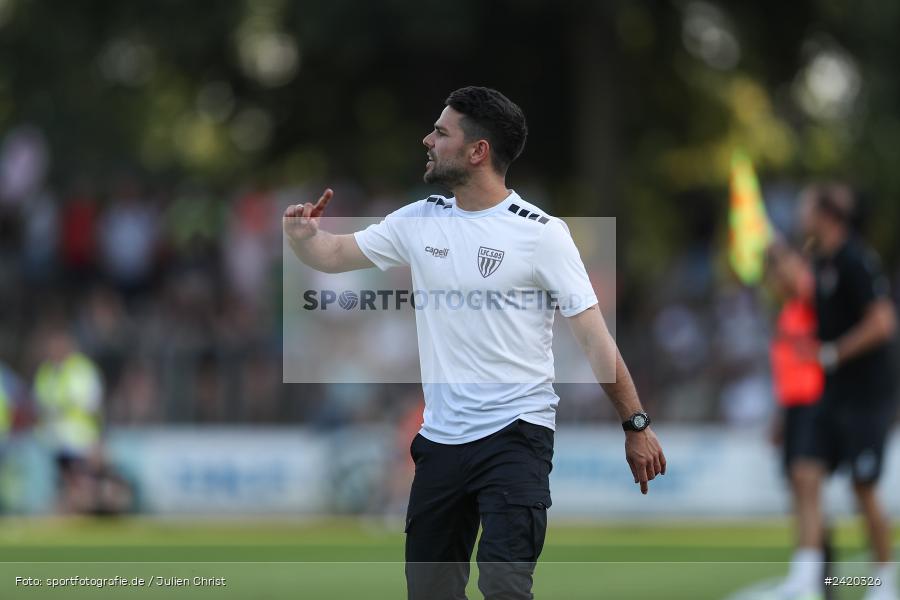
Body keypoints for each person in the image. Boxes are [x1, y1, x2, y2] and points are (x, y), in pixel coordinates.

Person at [284, 86, 666, 599]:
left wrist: (635, 423)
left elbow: (597, 341)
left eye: (441, 132)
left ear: (477, 151)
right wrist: (303, 238)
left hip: (516, 436)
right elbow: (334, 255)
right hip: (441, 442)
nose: (428, 139)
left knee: (506, 586)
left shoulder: (542, 234)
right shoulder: (419, 220)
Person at [778, 183, 898, 600]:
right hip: (834, 392)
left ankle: (884, 583)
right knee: (805, 472)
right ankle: (807, 581)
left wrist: (831, 353)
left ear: (826, 215)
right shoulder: (820, 260)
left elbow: (883, 323)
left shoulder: (854, 260)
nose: (799, 212)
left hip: (867, 394)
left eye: (806, 205)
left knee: (862, 486)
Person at [766, 241, 833, 600]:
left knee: (807, 483)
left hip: (814, 402)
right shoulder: (788, 311)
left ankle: (808, 579)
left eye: (781, 268)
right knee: (799, 488)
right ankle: (811, 574)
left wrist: (793, 262)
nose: (777, 277)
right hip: (794, 406)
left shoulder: (811, 299)